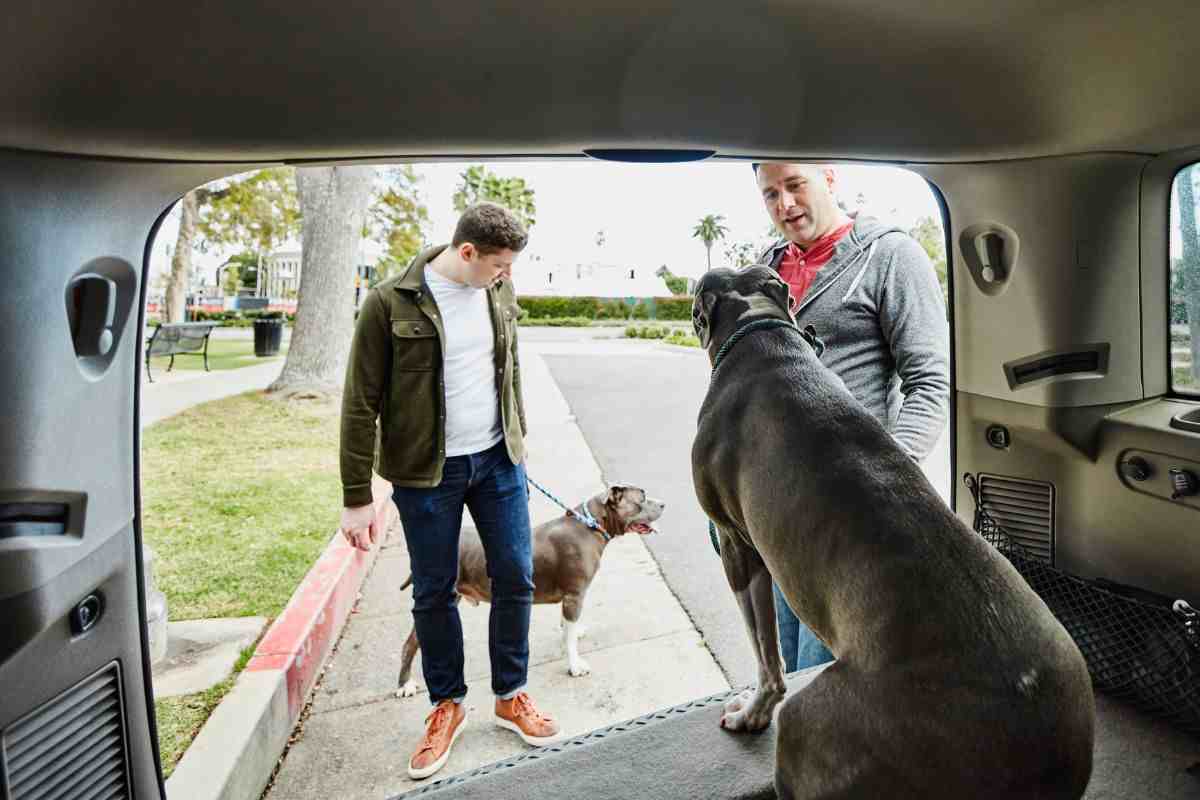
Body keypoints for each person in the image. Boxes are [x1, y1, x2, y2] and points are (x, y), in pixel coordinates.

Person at [338, 202, 562, 781]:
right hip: (424, 474)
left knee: (516, 575)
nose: (506, 274)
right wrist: (356, 494)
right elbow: (360, 402)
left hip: (497, 464)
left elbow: (505, 369)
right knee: (435, 590)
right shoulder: (389, 302)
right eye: (499, 264)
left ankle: (511, 694)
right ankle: (447, 704)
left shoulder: (498, 293)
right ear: (467, 253)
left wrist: (517, 437)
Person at [752, 163, 951, 672]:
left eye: (795, 185)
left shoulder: (891, 255)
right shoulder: (765, 268)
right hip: (776, 503)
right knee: (785, 663)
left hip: (849, 511)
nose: (784, 205)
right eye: (770, 193)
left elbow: (929, 385)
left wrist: (883, 480)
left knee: (831, 672)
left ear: (830, 177)